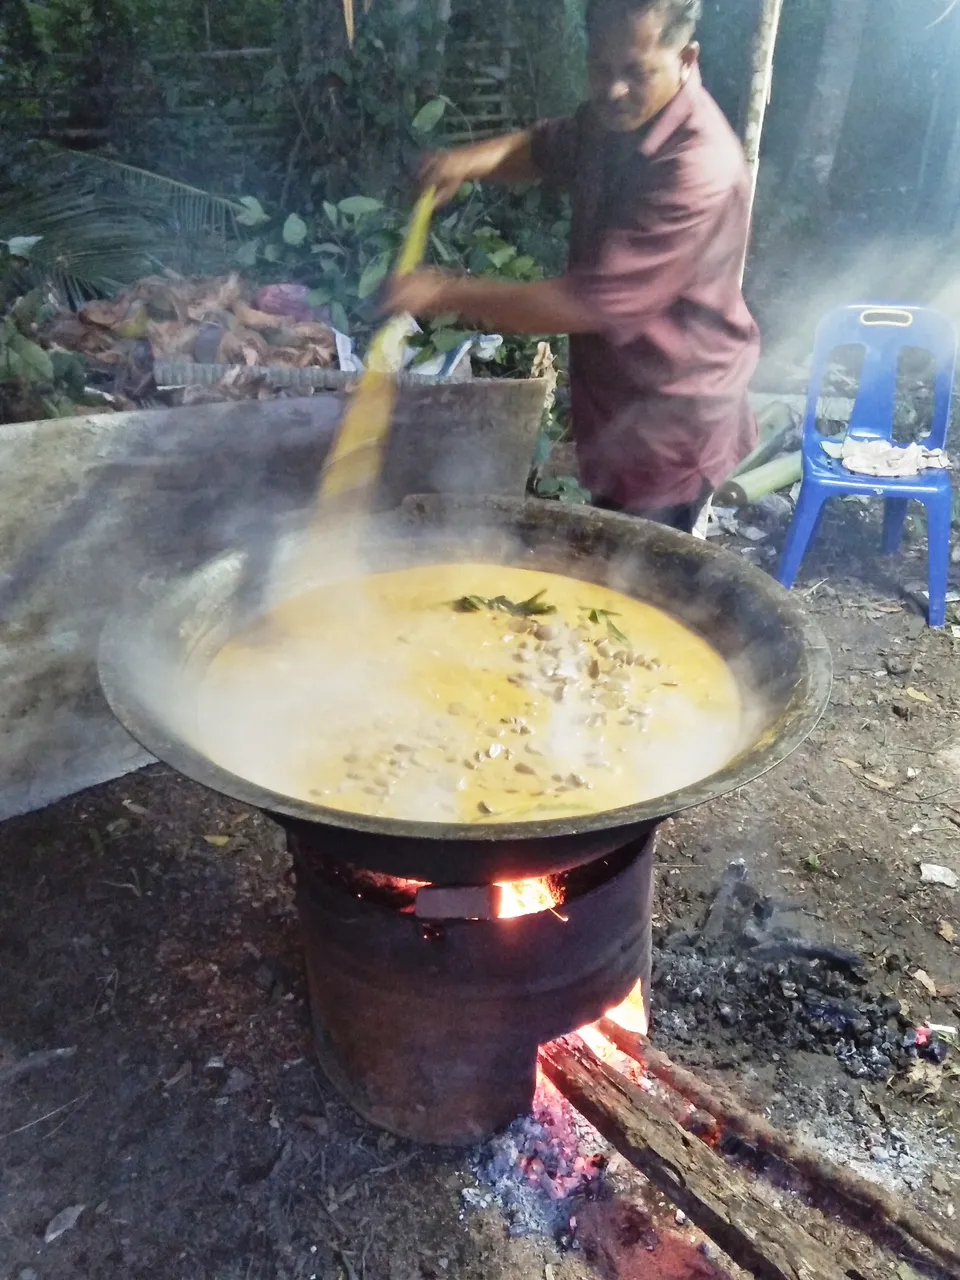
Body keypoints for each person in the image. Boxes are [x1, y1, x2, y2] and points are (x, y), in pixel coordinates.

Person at [386, 0, 760, 534]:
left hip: (671, 424)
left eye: (635, 71)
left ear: (686, 56)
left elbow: (590, 301)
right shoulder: (618, 119)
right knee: (611, 553)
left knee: (640, 583)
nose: (611, 90)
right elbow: (547, 148)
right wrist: (464, 163)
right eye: (599, 67)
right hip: (616, 405)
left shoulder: (697, 167)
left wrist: (440, 292)